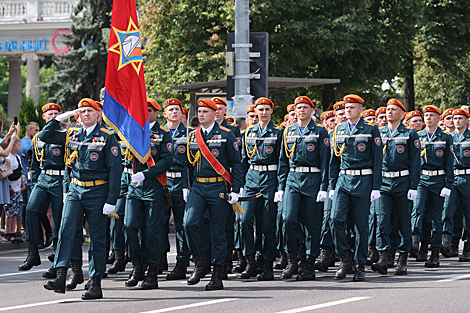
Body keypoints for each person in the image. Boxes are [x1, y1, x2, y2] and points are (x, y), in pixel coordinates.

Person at [41, 98, 122, 300]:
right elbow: (45, 135)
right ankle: (60, 276)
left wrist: (111, 200)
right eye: (82, 111)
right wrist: (59, 118)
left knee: (96, 238)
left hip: (98, 192)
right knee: (66, 231)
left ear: (98, 114)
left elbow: (115, 171)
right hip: (75, 191)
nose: (86, 114)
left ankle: (95, 283)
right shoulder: (72, 134)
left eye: (90, 111)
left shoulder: (107, 137)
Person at [184, 98, 242, 291]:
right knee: (189, 223)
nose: (201, 114)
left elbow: (236, 164)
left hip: (218, 187)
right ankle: (201, 263)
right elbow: (188, 164)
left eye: (205, 112)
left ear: (214, 113)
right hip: (198, 187)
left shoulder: (226, 134)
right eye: (199, 111)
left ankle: (217, 275)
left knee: (218, 232)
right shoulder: (193, 136)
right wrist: (187, 186)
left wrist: (236, 190)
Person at [330, 94, 383, 282]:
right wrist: (331, 185)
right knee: (335, 218)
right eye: (346, 108)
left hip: (364, 180)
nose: (348, 111)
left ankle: (360, 265)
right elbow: (334, 161)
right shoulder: (338, 130)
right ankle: (345, 259)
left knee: (361, 226)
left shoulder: (371, 130)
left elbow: (378, 160)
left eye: (352, 107)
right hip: (343, 180)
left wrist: (376, 187)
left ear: (361, 109)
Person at [276, 96, 330, 280]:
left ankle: (309, 263)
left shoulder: (320, 132)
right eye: (298, 107)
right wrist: (281, 186)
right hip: (293, 178)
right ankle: (293, 260)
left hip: (313, 178)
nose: (301, 110)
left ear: (312, 110)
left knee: (312, 224)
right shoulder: (288, 131)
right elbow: (283, 161)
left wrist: (324, 186)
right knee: (289, 219)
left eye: (305, 107)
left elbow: (325, 161)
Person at [124, 98, 173, 289]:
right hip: (135, 188)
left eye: (150, 110)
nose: (145, 113)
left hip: (153, 185)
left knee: (152, 232)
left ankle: (152, 272)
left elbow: (166, 160)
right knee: (129, 226)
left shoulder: (163, 134)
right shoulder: (132, 132)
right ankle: (137, 266)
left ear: (156, 113)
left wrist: (146, 173)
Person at [373, 99, 420, 275]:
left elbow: (415, 162)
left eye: (393, 109)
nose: (389, 112)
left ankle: (402, 259)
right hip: (384, 183)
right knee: (383, 220)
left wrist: (413, 186)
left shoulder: (409, 134)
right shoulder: (378, 132)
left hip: (403, 182)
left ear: (402, 113)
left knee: (403, 222)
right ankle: (384, 257)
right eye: (387, 109)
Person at [238, 97, 283, 281]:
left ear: (271, 111)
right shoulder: (248, 132)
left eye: (266, 109)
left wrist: (280, 187)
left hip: (270, 179)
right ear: (255, 111)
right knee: (244, 220)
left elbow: (282, 162)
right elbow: (242, 161)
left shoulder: (279, 132)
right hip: (251, 180)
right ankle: (250, 262)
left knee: (266, 225)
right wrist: (239, 185)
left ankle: (267, 265)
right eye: (260, 109)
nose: (263, 112)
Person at [18, 104, 65, 278]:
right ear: (44, 117)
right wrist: (36, 184)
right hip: (44, 179)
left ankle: (58, 261)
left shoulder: (66, 136)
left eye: (56, 114)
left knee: (59, 220)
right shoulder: (38, 138)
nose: (53, 116)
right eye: (50, 114)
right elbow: (36, 164)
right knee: (31, 210)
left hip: (60, 179)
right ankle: (33, 253)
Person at [410, 105, 453, 268]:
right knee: (419, 210)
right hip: (421, 180)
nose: (427, 117)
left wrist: (448, 184)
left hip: (438, 180)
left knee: (435, 218)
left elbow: (449, 161)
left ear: (438, 118)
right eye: (426, 115)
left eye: (431, 115)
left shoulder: (445, 137)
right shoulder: (417, 136)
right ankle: (421, 246)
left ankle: (434, 253)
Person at [162, 98, 193, 280]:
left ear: (182, 114)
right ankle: (159, 259)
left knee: (182, 225)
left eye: (177, 109)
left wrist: (188, 185)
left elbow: (192, 163)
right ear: (164, 114)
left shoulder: (188, 133)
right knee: (159, 222)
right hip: (162, 181)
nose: (174, 112)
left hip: (181, 182)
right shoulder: (158, 133)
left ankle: (182, 262)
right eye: (170, 110)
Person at [441, 109, 470, 261]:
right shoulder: (447, 138)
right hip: (451, 178)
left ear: (467, 120)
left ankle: (467, 247)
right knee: (447, 209)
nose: (457, 121)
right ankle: (448, 242)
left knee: (468, 214)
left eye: (460, 118)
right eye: (455, 118)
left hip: (468, 178)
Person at [5, 137, 25, 241]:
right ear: (13, 146)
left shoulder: (17, 158)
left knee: (15, 211)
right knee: (9, 211)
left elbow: (19, 173)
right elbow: (6, 173)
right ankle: (9, 232)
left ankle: (13, 232)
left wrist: (22, 185)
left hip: (17, 188)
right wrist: (9, 186)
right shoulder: (8, 158)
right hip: (11, 188)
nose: (20, 147)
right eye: (18, 145)